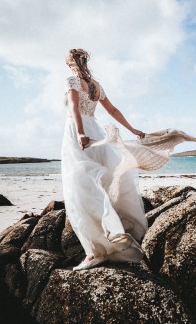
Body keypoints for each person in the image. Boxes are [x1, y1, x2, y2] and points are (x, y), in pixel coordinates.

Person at [61, 48, 148, 271]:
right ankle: (115, 237)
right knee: (103, 185)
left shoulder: (72, 80)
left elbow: (73, 108)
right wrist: (132, 128)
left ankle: (95, 251)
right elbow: (113, 110)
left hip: (79, 133)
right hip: (97, 133)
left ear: (70, 63)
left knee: (83, 190)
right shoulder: (96, 85)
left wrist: (80, 132)